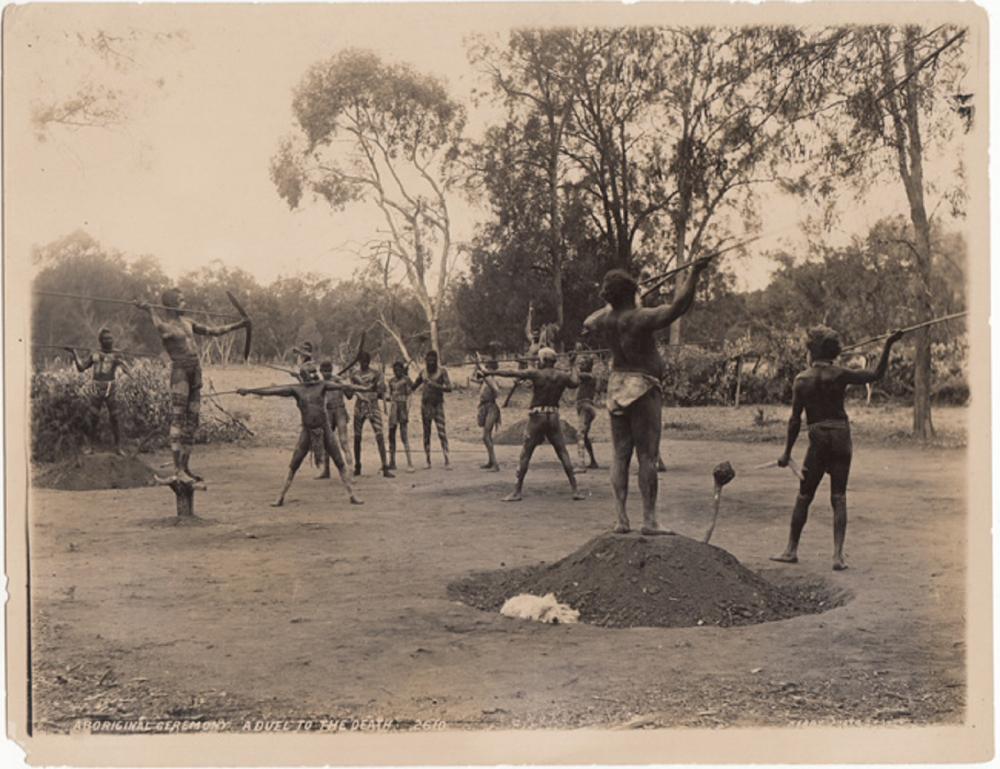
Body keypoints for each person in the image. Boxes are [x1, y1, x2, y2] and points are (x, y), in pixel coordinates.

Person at [583, 259, 712, 534]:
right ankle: (650, 520)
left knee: (620, 455)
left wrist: (615, 303)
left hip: (617, 385)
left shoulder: (605, 319)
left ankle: (621, 520)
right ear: (632, 293)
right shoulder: (640, 318)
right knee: (647, 456)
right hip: (642, 385)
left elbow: (588, 322)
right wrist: (694, 273)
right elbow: (678, 307)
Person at [770, 326, 904, 571]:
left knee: (804, 496)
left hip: (819, 437)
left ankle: (791, 550)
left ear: (811, 352)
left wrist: (786, 453)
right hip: (841, 436)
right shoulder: (840, 374)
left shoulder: (802, 380)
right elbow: (876, 374)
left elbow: (794, 420)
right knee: (839, 497)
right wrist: (888, 344)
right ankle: (837, 557)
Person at [135, 288, 248, 483]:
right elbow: (159, 328)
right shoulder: (165, 325)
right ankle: (178, 470)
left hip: (196, 372)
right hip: (180, 373)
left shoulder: (188, 322)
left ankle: (186, 468)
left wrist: (239, 325)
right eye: (180, 301)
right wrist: (150, 310)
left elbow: (213, 332)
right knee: (178, 419)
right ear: (170, 304)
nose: (184, 304)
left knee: (192, 422)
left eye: (184, 300)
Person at [238, 363, 362, 507]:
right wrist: (248, 391)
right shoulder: (296, 389)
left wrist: (365, 388)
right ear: (303, 375)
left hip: (325, 428)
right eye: (311, 372)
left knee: (339, 462)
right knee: (294, 464)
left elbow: (345, 387)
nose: (315, 375)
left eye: (315, 372)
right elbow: (272, 391)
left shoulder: (322, 385)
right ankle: (280, 497)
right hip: (307, 431)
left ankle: (353, 495)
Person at [490, 347, 586, 502]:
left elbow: (512, 373)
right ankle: (575, 490)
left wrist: (490, 373)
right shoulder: (562, 375)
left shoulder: (536, 374)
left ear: (542, 360)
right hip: (553, 416)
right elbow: (575, 382)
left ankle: (516, 492)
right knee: (563, 452)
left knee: (525, 454)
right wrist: (573, 364)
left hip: (537, 417)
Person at [66, 329, 132, 455]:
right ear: (101, 341)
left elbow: (126, 369)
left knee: (115, 417)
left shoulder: (117, 354)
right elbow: (81, 368)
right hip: (96, 388)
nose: (109, 341)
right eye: (106, 339)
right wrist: (74, 353)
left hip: (111, 387)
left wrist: (127, 371)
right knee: (93, 418)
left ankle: (118, 447)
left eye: (111, 338)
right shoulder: (94, 354)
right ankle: (90, 446)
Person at [350, 352, 394, 478]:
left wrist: (376, 384)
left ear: (369, 361)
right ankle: (357, 466)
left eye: (366, 361)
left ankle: (385, 466)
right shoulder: (354, 375)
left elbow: (381, 390)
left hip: (373, 405)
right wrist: (348, 388)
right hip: (360, 406)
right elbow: (350, 393)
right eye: (362, 361)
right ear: (359, 362)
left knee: (379, 435)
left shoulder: (377, 373)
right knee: (357, 437)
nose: (364, 363)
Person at [413, 350, 453, 469]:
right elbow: (414, 386)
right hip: (425, 406)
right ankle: (428, 461)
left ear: (436, 360)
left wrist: (435, 385)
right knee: (426, 433)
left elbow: (449, 388)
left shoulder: (442, 372)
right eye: (428, 360)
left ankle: (447, 459)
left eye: (433, 360)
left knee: (442, 432)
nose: (430, 362)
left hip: (438, 405)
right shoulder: (423, 373)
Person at [316, 360, 354, 478]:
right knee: (327, 442)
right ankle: (326, 471)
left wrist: (343, 383)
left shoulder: (338, 381)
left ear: (332, 370)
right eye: (324, 371)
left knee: (344, 441)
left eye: (328, 371)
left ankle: (351, 472)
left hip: (339, 410)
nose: (326, 373)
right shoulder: (320, 383)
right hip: (327, 412)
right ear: (321, 371)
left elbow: (349, 395)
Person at [472, 358, 502, 471]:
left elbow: (497, 391)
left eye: (488, 367)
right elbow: (473, 378)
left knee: (485, 436)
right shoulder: (486, 379)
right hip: (485, 407)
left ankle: (495, 464)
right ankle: (491, 461)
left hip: (491, 408)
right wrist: (478, 366)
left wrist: (482, 369)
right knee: (487, 436)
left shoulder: (491, 379)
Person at [387, 360, 416, 473]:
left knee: (404, 436)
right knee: (391, 435)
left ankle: (410, 463)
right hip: (394, 408)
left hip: (402, 408)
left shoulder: (406, 380)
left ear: (402, 369)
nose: (396, 371)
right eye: (395, 370)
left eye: (399, 369)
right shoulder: (391, 381)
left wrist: (407, 409)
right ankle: (392, 462)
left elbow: (410, 395)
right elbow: (389, 395)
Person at [573, 355, 601, 472]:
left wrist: (572, 363)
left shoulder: (589, 376)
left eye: (583, 364)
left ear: (588, 366)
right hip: (584, 407)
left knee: (580, 434)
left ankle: (581, 464)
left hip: (585, 407)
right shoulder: (588, 377)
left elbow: (575, 376)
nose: (580, 366)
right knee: (584, 437)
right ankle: (593, 461)